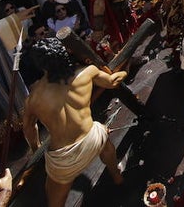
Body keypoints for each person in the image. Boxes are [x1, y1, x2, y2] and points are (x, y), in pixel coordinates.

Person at [22, 37, 127, 206]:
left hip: (64, 159)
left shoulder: (33, 99)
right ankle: (117, 176)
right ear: (64, 53)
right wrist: (124, 69)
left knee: (53, 195)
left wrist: (36, 148)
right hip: (92, 140)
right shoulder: (87, 72)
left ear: (41, 66)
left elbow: (28, 129)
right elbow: (113, 81)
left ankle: (116, 175)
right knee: (101, 135)